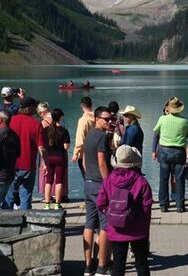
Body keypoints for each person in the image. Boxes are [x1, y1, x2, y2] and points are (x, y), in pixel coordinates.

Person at [96, 145, 152, 276]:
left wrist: (112, 214)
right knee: (142, 265)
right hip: (138, 229)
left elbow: (100, 203)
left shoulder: (109, 180)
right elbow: (147, 206)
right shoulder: (141, 181)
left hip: (116, 228)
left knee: (118, 266)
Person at [83, 106, 115, 276]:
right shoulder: (102, 136)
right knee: (105, 225)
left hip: (88, 182)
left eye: (111, 119)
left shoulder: (89, 135)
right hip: (99, 184)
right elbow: (102, 162)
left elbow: (84, 161)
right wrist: (108, 183)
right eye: (106, 119)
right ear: (97, 118)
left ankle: (88, 266)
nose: (109, 121)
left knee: (89, 224)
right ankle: (102, 266)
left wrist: (89, 175)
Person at [152, 96, 188, 214]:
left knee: (164, 178)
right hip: (179, 152)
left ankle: (163, 205)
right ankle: (180, 205)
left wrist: (154, 149)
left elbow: (155, 131)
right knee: (179, 179)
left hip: (164, 151)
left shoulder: (162, 119)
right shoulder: (184, 121)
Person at [6, 97, 44, 210]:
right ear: (29, 108)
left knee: (9, 196)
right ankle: (25, 223)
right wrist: (45, 163)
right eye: (34, 107)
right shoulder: (36, 124)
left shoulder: (10, 121)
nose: (36, 109)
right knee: (26, 197)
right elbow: (41, 147)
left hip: (11, 164)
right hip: (28, 165)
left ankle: (6, 222)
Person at [42, 108, 70, 210]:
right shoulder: (64, 131)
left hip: (49, 158)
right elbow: (66, 147)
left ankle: (46, 204)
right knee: (58, 181)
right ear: (61, 117)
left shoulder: (46, 130)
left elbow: (43, 146)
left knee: (48, 180)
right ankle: (57, 204)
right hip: (60, 157)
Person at [73, 96, 95, 177]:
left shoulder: (83, 120)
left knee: (87, 179)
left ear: (81, 106)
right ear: (91, 105)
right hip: (96, 152)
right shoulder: (97, 118)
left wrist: (75, 153)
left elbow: (80, 139)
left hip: (85, 154)